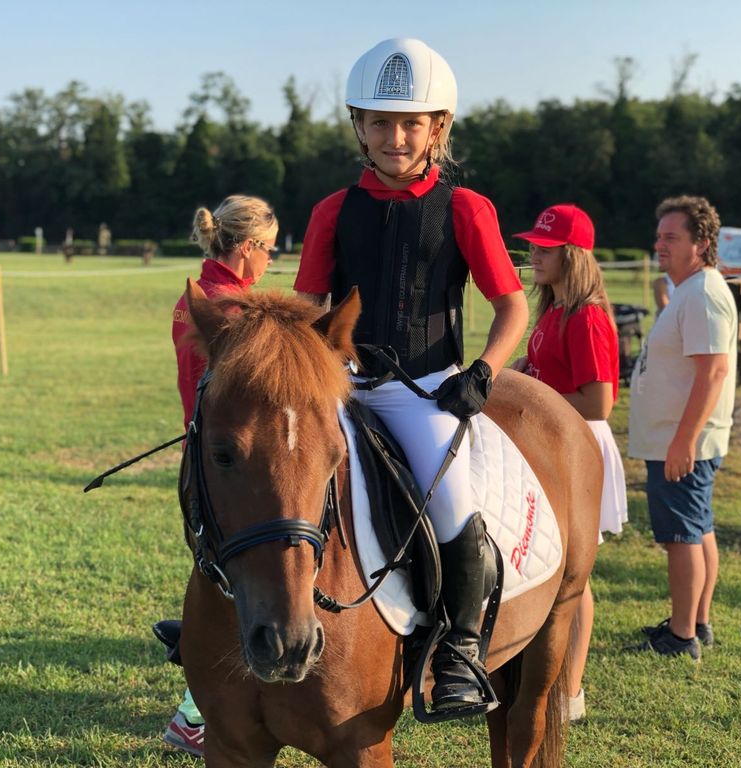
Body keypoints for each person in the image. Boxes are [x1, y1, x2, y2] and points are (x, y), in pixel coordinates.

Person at [294, 38, 528, 714]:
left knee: (452, 504)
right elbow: (309, 306)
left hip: (426, 391)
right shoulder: (331, 210)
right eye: (380, 123)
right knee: (268, 475)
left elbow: (512, 306)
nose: (394, 138)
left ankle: (460, 651)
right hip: (343, 388)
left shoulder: (466, 208)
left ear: (438, 128)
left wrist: (483, 371)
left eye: (410, 124)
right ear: (359, 127)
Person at [166, 194, 279, 756]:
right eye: (270, 250)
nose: (271, 262)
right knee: (242, 586)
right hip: (230, 467)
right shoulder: (231, 309)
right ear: (249, 246)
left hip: (202, 459)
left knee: (224, 583)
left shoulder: (194, 296)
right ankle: (194, 713)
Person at [510, 204, 627, 722]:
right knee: (556, 569)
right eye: (533, 245)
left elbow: (599, 402)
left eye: (545, 248)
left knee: (576, 578)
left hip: (580, 447)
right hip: (554, 442)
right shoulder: (555, 309)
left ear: (572, 256)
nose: (534, 254)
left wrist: (535, 394)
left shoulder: (587, 317)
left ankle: (570, 691)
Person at [627, 195, 737, 661]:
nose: (660, 245)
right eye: (659, 237)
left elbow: (713, 371)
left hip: (681, 439)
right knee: (698, 529)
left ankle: (681, 635)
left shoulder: (703, 293)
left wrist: (684, 440)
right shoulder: (692, 290)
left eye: (671, 237)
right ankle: (697, 623)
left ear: (702, 243)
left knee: (681, 537)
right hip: (678, 437)